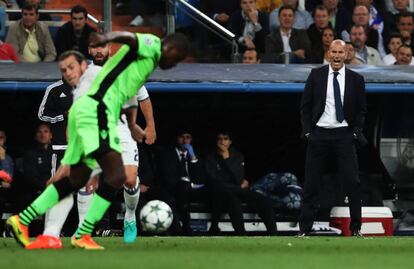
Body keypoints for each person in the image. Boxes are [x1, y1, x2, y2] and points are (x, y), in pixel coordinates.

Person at [6, 31, 188, 250]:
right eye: (177, 59)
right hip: (96, 113)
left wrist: (132, 125)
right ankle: (80, 233)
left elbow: (130, 95)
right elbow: (131, 38)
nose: (175, 64)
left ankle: (23, 220)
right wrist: (108, 37)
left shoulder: (139, 69)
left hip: (95, 115)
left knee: (77, 177)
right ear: (171, 49)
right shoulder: (152, 45)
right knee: (115, 175)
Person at [299, 39, 367, 237]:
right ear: (328, 54)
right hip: (319, 134)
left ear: (346, 54)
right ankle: (304, 229)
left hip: (344, 135)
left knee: (352, 182)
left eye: (341, 52)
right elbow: (305, 106)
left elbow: (362, 110)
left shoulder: (357, 79)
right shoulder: (316, 75)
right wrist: (308, 132)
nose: (337, 56)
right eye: (333, 52)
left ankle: (356, 229)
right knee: (311, 182)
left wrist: (355, 133)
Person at [205, 131, 276, 236]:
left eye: (225, 139)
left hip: (238, 189)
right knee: (233, 200)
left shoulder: (237, 156)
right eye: (219, 139)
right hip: (221, 192)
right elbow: (213, 180)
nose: (222, 142)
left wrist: (227, 158)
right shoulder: (210, 157)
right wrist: (236, 183)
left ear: (230, 142)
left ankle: (273, 234)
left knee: (264, 201)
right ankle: (242, 235)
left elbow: (239, 178)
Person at [159, 130, 205, 235]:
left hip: (193, 189)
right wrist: (187, 184)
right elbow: (167, 177)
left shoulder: (196, 155)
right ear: (177, 138)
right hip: (174, 188)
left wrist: (193, 157)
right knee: (182, 189)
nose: (185, 140)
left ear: (191, 139)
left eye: (188, 137)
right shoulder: (167, 154)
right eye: (182, 137)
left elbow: (200, 178)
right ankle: (185, 227)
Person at [21, 123, 53, 204]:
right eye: (39, 132)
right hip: (37, 191)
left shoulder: (57, 153)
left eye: (46, 131)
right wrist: (45, 185)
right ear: (35, 136)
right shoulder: (30, 153)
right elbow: (30, 176)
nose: (43, 135)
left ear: (51, 135)